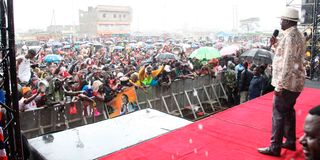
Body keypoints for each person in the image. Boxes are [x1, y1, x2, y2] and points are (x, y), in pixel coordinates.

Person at [258, 8, 306, 157]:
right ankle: (290, 141)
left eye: (282, 19)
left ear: (288, 21)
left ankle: (275, 146)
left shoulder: (290, 37)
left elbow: (287, 63)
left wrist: (280, 85)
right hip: (295, 83)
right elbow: (284, 54)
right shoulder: (296, 35)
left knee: (278, 114)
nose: (280, 22)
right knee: (288, 111)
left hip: (287, 83)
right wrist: (275, 44)